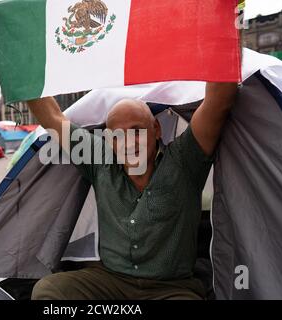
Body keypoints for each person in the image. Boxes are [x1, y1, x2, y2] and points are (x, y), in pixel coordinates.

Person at [27, 82, 238, 300]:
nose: (128, 142)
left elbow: (218, 102)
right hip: (110, 282)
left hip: (171, 288)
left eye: (136, 131)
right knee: (48, 290)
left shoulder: (184, 161)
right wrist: (21, 71)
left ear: (156, 129)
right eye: (118, 135)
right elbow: (53, 118)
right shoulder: (100, 161)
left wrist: (220, 48)